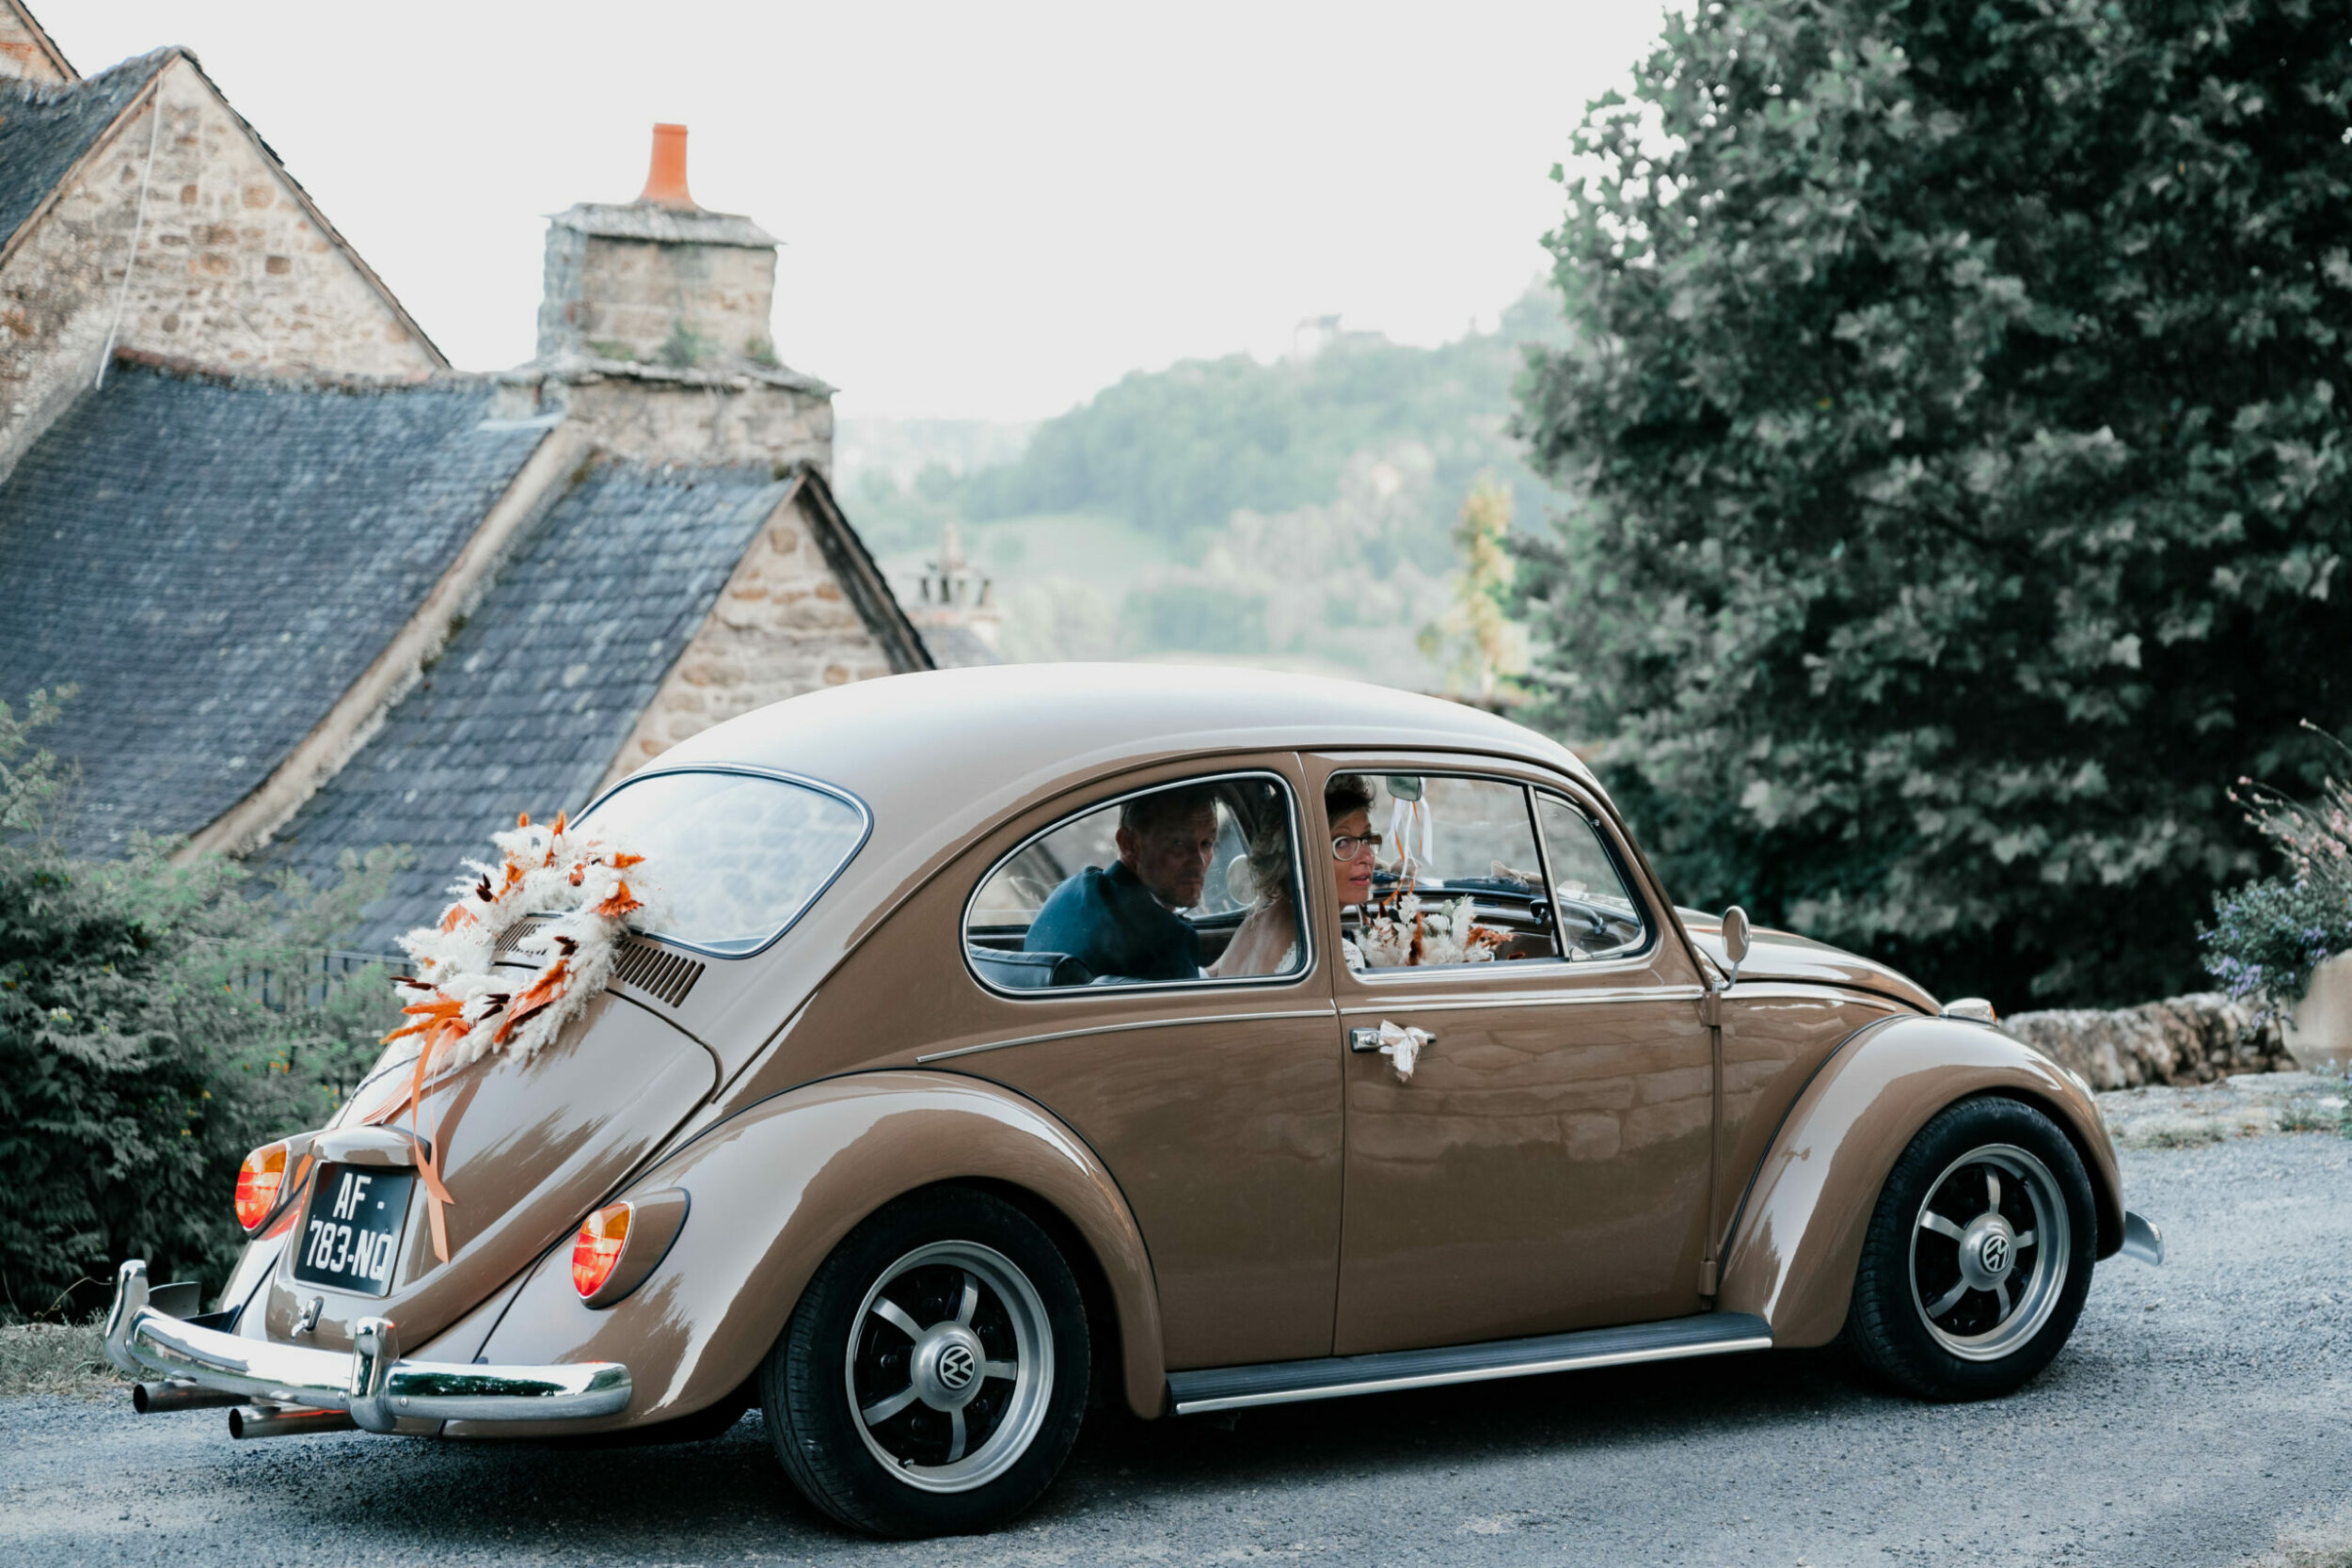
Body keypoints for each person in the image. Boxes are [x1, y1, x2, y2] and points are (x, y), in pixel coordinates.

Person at [1025, 784, 1221, 982]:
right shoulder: (1165, 940)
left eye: (1207, 843)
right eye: (1178, 843)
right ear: (1128, 844)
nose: (1199, 861)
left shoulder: (1069, 893)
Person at [1210, 774, 1378, 977]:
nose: (1367, 857)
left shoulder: (1249, 929)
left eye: (1367, 838)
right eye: (1342, 843)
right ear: (1302, 852)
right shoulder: (1336, 956)